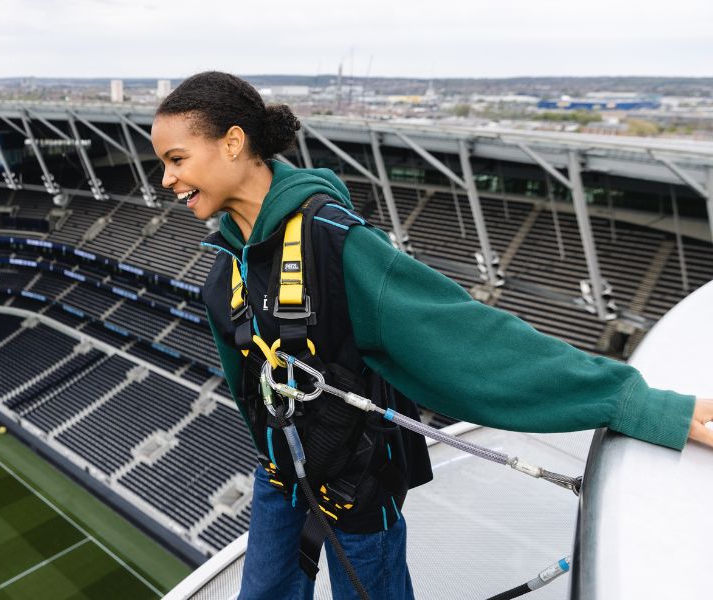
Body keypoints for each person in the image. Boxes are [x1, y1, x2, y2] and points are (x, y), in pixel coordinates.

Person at [150, 71, 713, 600]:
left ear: (232, 143)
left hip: (356, 485)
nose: (166, 178)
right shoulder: (224, 270)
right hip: (283, 477)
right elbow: (250, 390)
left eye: (177, 159)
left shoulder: (334, 241)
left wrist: (635, 403)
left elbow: (470, 340)